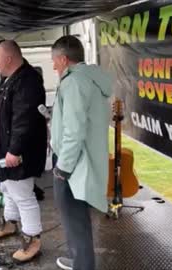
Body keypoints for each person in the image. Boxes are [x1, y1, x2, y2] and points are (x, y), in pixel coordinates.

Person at [50, 35, 111, 270]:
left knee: (74, 218)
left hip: (73, 162)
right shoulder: (89, 79)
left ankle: (83, 264)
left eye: (54, 60)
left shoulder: (73, 83)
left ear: (64, 59)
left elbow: (74, 131)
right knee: (77, 218)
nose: (53, 65)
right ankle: (78, 260)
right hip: (82, 158)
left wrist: (63, 167)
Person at [0, 40, 48, 263]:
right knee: (8, 188)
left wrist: (14, 150)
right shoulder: (8, 79)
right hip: (5, 149)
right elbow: (3, 112)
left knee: (22, 194)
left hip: (20, 151)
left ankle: (32, 239)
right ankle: (10, 223)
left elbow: (24, 120)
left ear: (9, 58)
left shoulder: (28, 81)